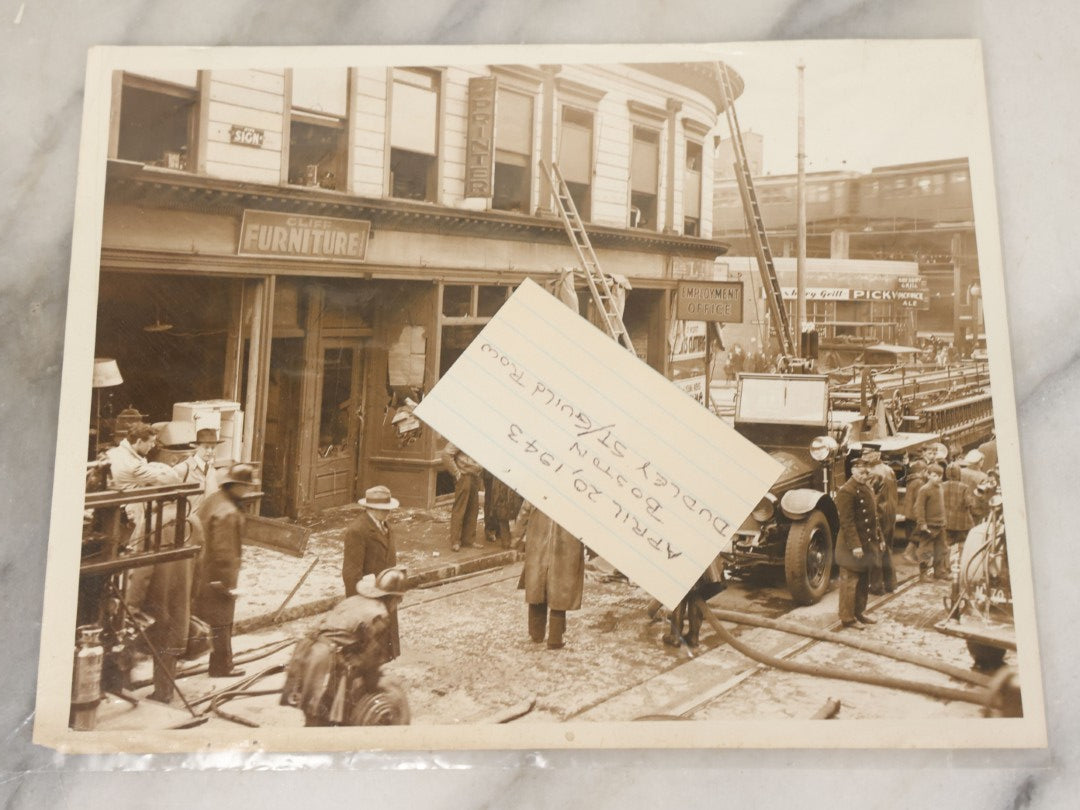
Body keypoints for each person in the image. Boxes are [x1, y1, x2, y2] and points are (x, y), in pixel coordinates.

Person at [281, 567, 410, 727]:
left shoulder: (355, 601)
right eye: (399, 599)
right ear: (392, 598)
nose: (398, 603)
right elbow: (371, 658)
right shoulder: (380, 615)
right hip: (322, 659)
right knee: (321, 714)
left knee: (315, 712)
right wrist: (375, 688)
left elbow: (346, 635)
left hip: (308, 648)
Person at [192, 462, 256, 677]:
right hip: (216, 575)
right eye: (246, 486)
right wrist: (227, 584)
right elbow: (224, 553)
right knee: (221, 621)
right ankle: (222, 666)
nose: (248, 491)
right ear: (236, 486)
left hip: (202, 569)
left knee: (210, 619)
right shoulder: (228, 512)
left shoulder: (214, 499)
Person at [513, 501, 585, 649]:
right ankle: (555, 638)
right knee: (560, 590)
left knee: (537, 586)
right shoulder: (576, 490)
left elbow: (525, 510)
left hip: (538, 542)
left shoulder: (542, 484)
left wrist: (516, 538)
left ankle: (536, 633)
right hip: (566, 546)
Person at [834, 457, 880, 630]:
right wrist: (856, 546)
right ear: (853, 471)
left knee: (863, 581)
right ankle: (847, 617)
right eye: (860, 472)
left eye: (865, 472)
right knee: (850, 582)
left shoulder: (865, 487)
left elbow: (873, 517)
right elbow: (847, 522)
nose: (863, 475)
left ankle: (859, 612)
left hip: (866, 542)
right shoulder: (847, 491)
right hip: (851, 546)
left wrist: (879, 539)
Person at [342, 486, 399, 603]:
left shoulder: (386, 526)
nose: (389, 512)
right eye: (384, 509)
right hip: (368, 597)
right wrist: (356, 603)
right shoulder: (357, 531)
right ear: (371, 509)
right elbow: (351, 574)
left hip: (387, 593)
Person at [862, 448, 898, 594]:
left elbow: (870, 496)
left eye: (865, 454)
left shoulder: (873, 473)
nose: (863, 457)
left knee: (875, 550)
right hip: (890, 513)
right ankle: (891, 583)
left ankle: (876, 586)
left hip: (879, 514)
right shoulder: (889, 470)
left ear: (875, 454)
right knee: (886, 548)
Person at [441, 441, 483, 552]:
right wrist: (456, 473)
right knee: (460, 508)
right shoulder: (461, 436)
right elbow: (446, 454)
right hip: (464, 476)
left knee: (473, 508)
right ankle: (455, 541)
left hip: (474, 475)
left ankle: (468, 540)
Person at [171, 427, 222, 512]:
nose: (210, 451)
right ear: (196, 447)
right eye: (206, 447)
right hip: (186, 522)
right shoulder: (182, 469)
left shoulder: (213, 472)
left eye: (213, 447)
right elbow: (168, 499)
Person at [913, 463, 948, 581]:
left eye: (940, 475)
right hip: (929, 526)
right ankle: (923, 574)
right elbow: (919, 507)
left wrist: (944, 520)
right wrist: (922, 523)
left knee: (941, 550)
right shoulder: (924, 489)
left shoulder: (941, 488)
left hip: (940, 524)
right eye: (934, 475)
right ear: (928, 475)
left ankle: (940, 572)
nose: (938, 478)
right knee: (925, 550)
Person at [482, 471, 524, 548]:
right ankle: (508, 542)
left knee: (506, 515)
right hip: (505, 487)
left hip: (507, 487)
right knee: (504, 515)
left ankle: (508, 542)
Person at [900, 458, 927, 563]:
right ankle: (908, 554)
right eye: (926, 471)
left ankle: (912, 555)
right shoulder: (920, 483)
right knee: (917, 535)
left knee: (912, 534)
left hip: (908, 512)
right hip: (915, 513)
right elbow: (920, 499)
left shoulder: (910, 481)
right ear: (921, 472)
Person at [942, 462, 975, 548]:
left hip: (946, 522)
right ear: (959, 473)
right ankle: (960, 560)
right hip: (962, 523)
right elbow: (969, 503)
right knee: (962, 544)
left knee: (946, 544)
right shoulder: (964, 487)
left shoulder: (941, 486)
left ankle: (947, 560)